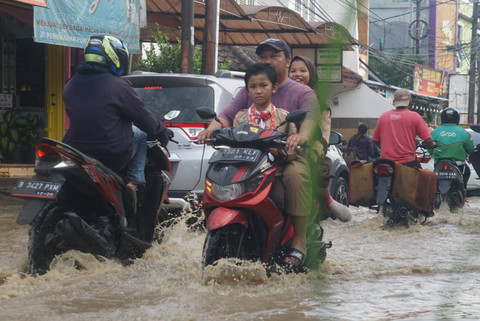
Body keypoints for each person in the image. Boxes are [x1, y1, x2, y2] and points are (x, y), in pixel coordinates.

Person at [198, 38, 323, 269]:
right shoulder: (249, 90)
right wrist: (210, 131)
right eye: (263, 57)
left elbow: (310, 121)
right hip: (251, 158)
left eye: (274, 56)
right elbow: (226, 115)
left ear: (287, 61)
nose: (267, 61)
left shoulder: (301, 92)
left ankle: (299, 240)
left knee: (296, 177)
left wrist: (299, 137)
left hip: (287, 156)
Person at [63, 35, 170, 195]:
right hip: (110, 154)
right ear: (113, 56)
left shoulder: (70, 84)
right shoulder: (119, 86)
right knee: (140, 134)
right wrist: (163, 134)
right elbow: (144, 119)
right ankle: (134, 184)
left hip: (75, 152)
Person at [289, 55, 352, 222]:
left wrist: (312, 148)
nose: (297, 74)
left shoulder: (321, 105)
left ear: (312, 75)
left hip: (309, 151)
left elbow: (324, 137)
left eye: (303, 70)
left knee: (322, 167)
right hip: (280, 149)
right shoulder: (280, 97)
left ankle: (327, 201)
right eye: (293, 70)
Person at [372, 88, 435, 168]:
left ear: (394, 102)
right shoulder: (415, 117)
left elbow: (375, 140)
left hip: (385, 162)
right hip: (408, 162)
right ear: (410, 102)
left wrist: (385, 147)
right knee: (422, 178)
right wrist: (432, 145)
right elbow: (428, 140)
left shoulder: (383, 117)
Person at [430, 108, 474, 189]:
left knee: (433, 180)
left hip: (439, 163)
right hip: (458, 164)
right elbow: (470, 149)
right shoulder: (464, 133)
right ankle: (463, 191)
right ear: (457, 119)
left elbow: (430, 149)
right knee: (467, 172)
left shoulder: (435, 132)